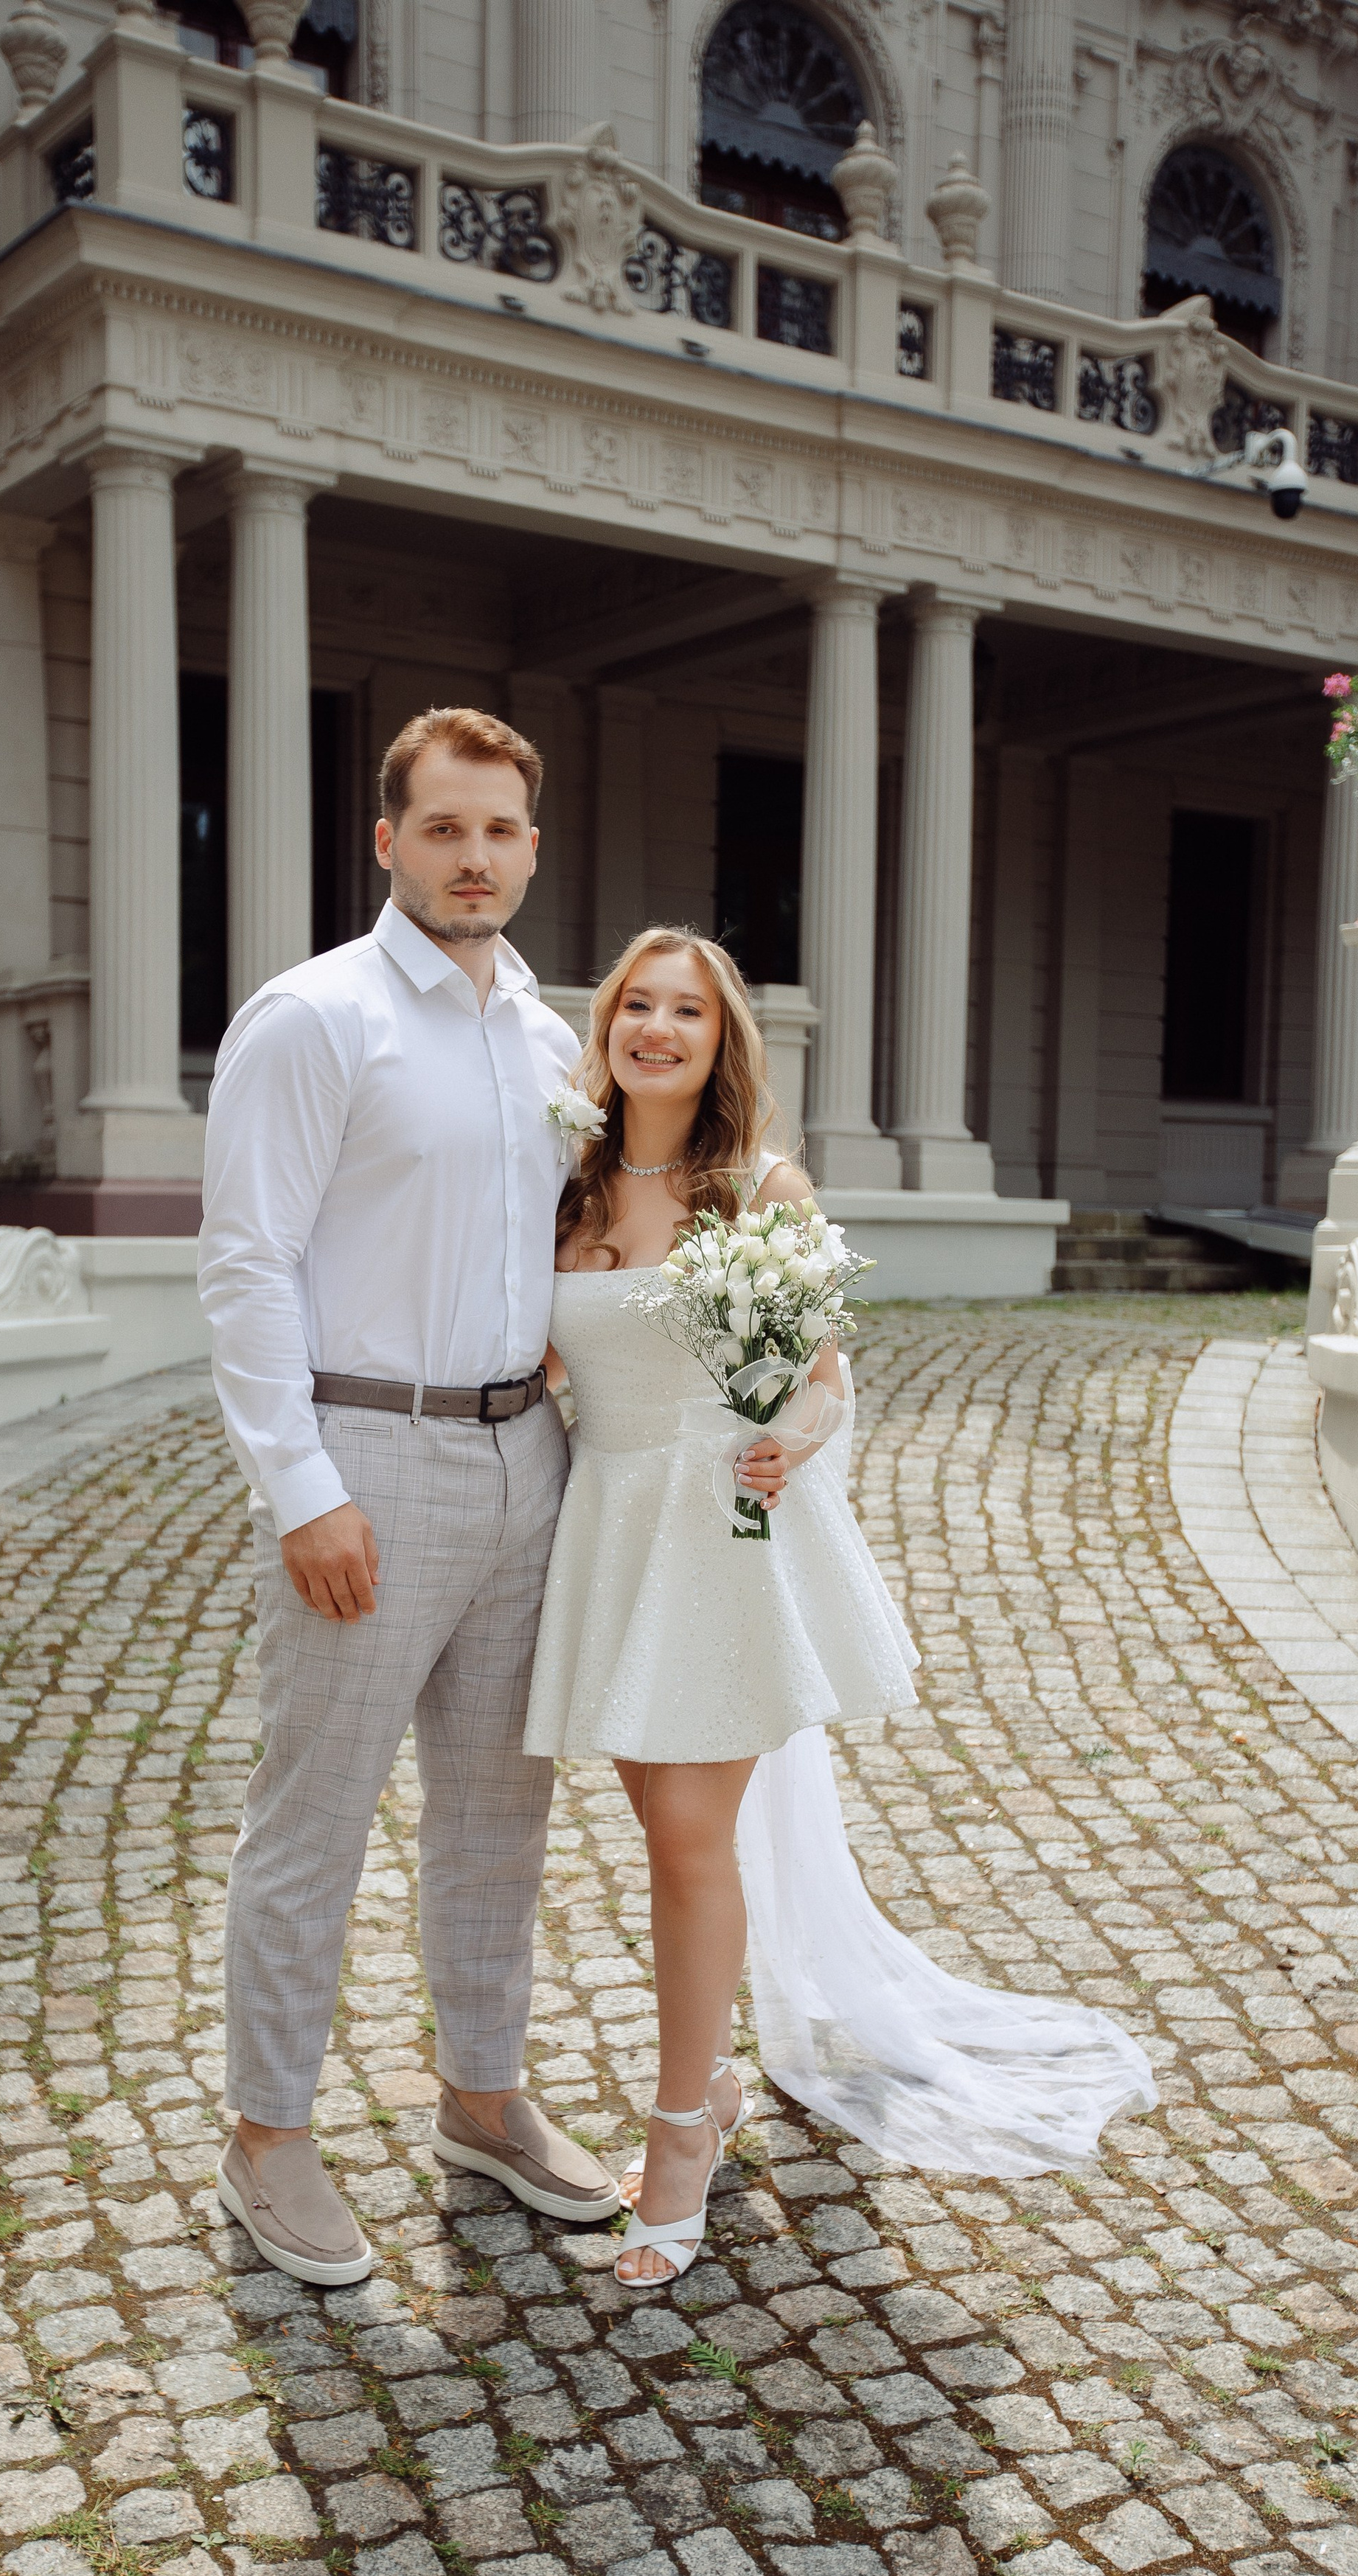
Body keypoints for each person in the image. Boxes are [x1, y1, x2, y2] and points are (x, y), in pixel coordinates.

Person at [525, 926, 1157, 2288]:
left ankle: (683, 2127)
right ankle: (720, 2087)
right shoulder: (563, 1190)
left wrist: (795, 1438)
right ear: (609, 1026)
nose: (658, 1028)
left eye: (686, 1010)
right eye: (638, 1004)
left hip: (723, 1531)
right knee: (667, 1828)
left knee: (689, 1838)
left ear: (719, 1036)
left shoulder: (762, 1187)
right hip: (613, 1526)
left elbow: (823, 1376)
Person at [198, 706, 620, 2286]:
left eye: (500, 830)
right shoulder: (315, 1018)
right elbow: (243, 1260)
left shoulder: (541, 1036)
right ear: (387, 841)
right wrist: (299, 1484)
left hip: (532, 1459)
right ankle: (266, 2136)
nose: (474, 857)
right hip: (366, 1453)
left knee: (501, 1813)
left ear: (530, 842)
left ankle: (479, 2098)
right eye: (443, 829)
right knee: (312, 1812)